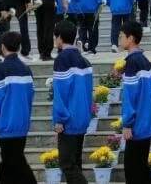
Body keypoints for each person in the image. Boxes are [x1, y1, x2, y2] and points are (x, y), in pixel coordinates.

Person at [0, 31, 36, 184]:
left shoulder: (0, 69)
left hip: (6, 125)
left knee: (13, 163)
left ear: (2, 47)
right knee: (10, 163)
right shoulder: (26, 69)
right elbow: (30, 97)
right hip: (22, 124)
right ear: (19, 47)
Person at [52, 20, 93, 184]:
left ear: (60, 38)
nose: (54, 40)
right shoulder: (84, 61)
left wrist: (59, 119)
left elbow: (61, 92)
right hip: (82, 117)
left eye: (55, 36)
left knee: (67, 164)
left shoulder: (62, 59)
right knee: (76, 162)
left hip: (68, 119)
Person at [119, 20, 151, 184]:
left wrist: (127, 123)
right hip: (146, 123)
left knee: (133, 171)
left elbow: (130, 96)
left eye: (122, 36)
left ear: (131, 38)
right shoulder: (144, 60)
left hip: (137, 126)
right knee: (142, 169)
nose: (119, 39)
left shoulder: (132, 62)